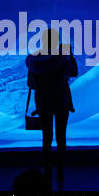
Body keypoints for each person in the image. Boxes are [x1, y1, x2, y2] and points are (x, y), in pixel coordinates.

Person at [26, 29, 78, 181]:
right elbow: (73, 72)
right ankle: (61, 166)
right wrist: (71, 55)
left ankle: (47, 165)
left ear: (42, 41)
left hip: (43, 101)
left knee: (46, 135)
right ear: (56, 41)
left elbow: (31, 83)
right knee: (61, 136)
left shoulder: (33, 60)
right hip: (61, 100)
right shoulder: (62, 57)